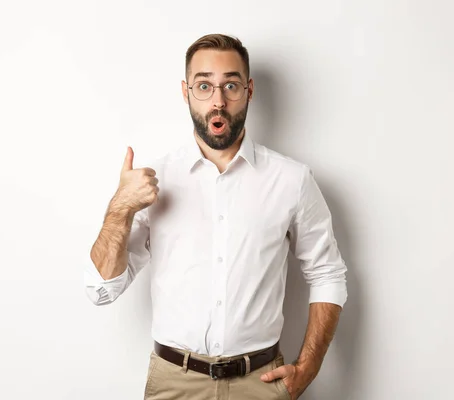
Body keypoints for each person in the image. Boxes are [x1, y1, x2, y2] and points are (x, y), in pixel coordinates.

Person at [84, 33, 348, 400]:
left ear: (249, 90)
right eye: (204, 85)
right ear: (186, 91)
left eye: (231, 86)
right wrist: (119, 210)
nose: (218, 101)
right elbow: (101, 291)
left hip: (262, 383)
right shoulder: (152, 180)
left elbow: (327, 274)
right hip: (174, 382)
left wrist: (308, 368)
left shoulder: (292, 180)